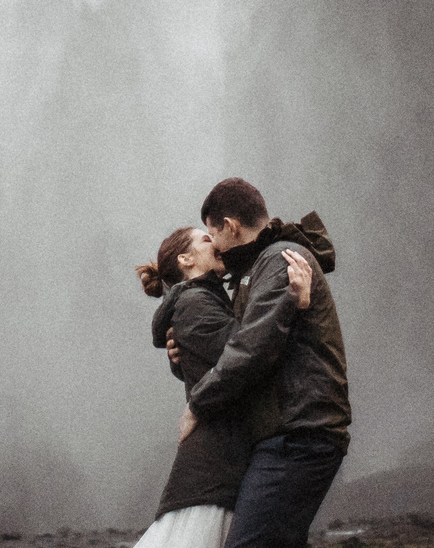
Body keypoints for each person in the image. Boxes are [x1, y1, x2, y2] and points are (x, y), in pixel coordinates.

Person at [175, 178, 349, 548]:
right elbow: (235, 340)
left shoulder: (278, 259)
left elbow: (252, 347)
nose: (216, 247)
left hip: (299, 433)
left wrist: (198, 404)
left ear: (231, 225)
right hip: (289, 431)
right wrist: (182, 356)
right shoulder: (258, 268)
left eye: (213, 234)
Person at [130, 223, 315, 548]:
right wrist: (292, 301)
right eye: (205, 238)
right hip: (213, 468)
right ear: (186, 260)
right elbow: (245, 352)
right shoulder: (195, 304)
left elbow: (221, 357)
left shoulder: (203, 301)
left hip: (219, 463)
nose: (214, 241)